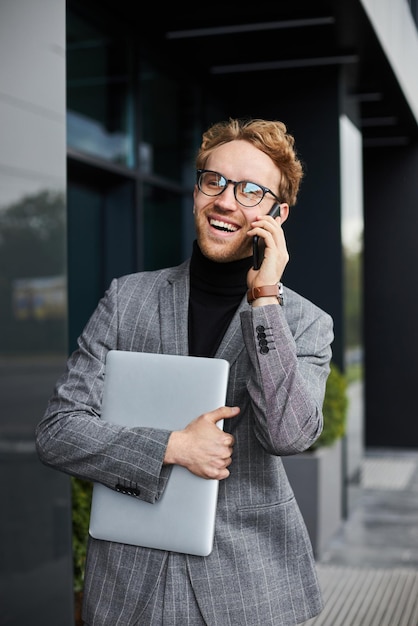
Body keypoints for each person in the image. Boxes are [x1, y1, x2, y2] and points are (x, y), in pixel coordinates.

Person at [35, 117, 334, 626]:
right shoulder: (126, 299)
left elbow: (288, 435)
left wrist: (265, 298)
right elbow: (57, 432)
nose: (225, 200)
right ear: (197, 191)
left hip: (247, 586)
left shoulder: (305, 324)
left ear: (277, 215)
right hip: (130, 583)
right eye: (213, 181)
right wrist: (173, 447)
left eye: (250, 191)